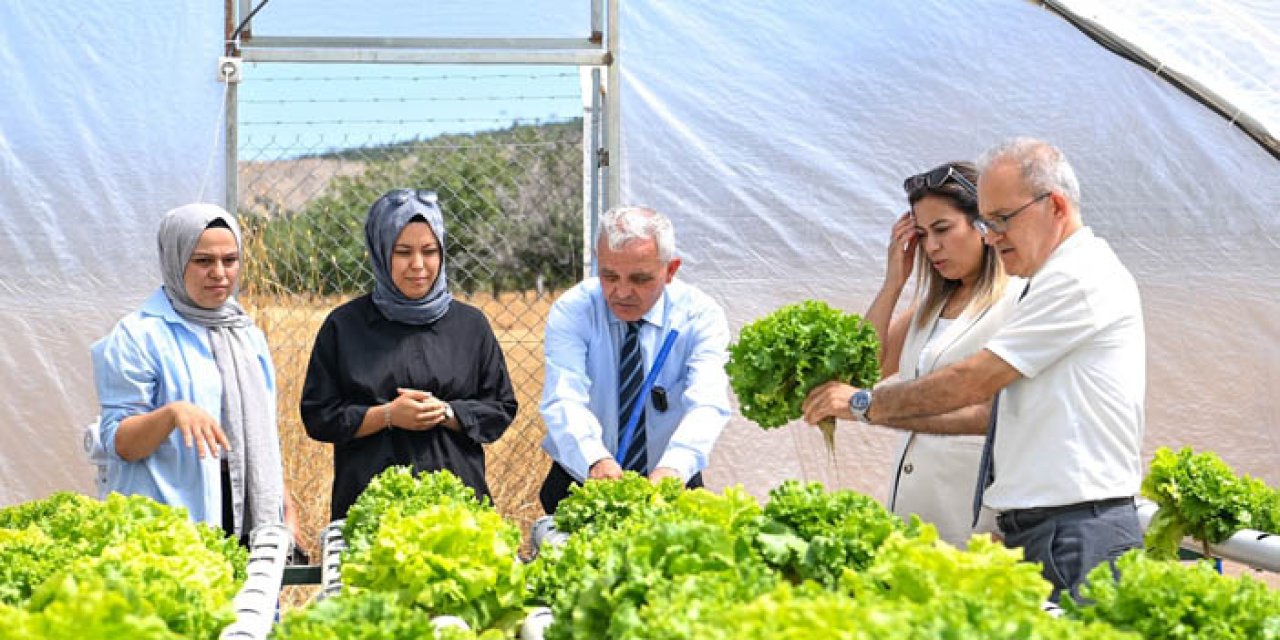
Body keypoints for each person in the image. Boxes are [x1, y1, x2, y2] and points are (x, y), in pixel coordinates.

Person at [803, 138, 1145, 601]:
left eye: (1001, 219)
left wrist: (865, 406)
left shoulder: (1073, 280)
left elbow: (974, 386)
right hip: (1038, 523)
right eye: (989, 221)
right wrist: (893, 283)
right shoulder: (1039, 283)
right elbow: (1017, 416)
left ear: (1056, 206)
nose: (992, 234)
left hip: (1073, 526)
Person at [301, 189, 517, 521]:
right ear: (380, 251)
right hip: (368, 508)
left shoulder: (470, 326)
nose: (418, 265)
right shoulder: (344, 327)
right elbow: (319, 416)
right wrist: (387, 415)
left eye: (429, 251)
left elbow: (500, 407)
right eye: (403, 252)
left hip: (458, 511)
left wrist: (446, 412)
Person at [92, 203, 294, 543]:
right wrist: (172, 414)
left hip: (245, 507)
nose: (220, 273)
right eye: (203, 261)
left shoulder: (244, 333)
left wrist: (282, 503)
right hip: (171, 516)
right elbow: (121, 442)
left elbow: (259, 436)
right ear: (174, 260)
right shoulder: (138, 335)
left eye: (230, 260)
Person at [867, 161, 1023, 547]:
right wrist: (892, 284)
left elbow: (1007, 414)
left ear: (984, 225)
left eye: (942, 229)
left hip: (974, 522)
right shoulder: (928, 308)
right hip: (911, 515)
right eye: (921, 234)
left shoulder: (1019, 300)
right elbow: (861, 370)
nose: (932, 246)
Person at [539, 205, 732, 513]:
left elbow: (708, 403)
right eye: (609, 275)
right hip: (583, 480)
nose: (622, 292)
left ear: (670, 270)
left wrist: (674, 467)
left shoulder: (700, 316)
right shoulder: (574, 310)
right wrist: (595, 459)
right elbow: (564, 397)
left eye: (640, 279)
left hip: (672, 482)